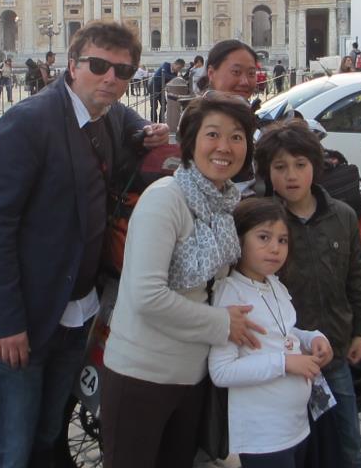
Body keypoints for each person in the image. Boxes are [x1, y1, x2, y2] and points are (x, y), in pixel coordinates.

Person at [0, 21, 169, 468]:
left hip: (77, 314)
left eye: (124, 71)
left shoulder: (109, 117)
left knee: (48, 434)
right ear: (72, 65)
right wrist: (7, 322)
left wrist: (147, 133)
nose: (111, 79)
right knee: (9, 447)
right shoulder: (27, 123)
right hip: (24, 319)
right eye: (99, 66)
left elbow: (131, 124)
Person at [101, 93, 264, 468]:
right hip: (142, 375)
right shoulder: (165, 199)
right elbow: (147, 296)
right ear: (190, 142)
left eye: (237, 137)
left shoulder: (224, 203)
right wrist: (224, 324)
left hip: (191, 376)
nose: (225, 147)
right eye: (213, 134)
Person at [255, 122, 361, 468]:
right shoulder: (263, 223)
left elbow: (358, 277)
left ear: (315, 167)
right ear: (267, 172)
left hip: (333, 354)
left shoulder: (343, 216)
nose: (291, 176)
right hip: (285, 360)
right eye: (280, 167)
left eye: (300, 165)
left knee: (347, 444)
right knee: (296, 450)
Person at [209, 198, 333, 468]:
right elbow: (222, 371)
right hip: (263, 438)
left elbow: (281, 332)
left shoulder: (275, 284)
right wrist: (285, 363)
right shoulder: (231, 293)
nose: (275, 248)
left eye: (282, 240)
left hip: (296, 427)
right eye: (264, 237)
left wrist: (312, 338)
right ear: (239, 240)